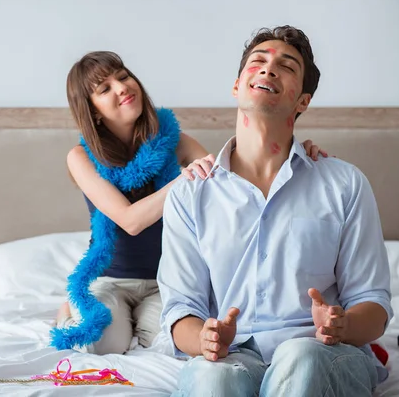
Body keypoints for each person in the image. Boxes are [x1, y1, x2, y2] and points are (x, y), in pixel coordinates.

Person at [157, 25, 393, 396]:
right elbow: (180, 308)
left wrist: (341, 325)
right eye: (258, 61)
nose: (268, 69)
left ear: (302, 101)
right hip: (233, 355)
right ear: (237, 86)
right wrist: (204, 339)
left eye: (286, 66)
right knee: (212, 376)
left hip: (322, 351)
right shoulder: (189, 194)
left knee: (302, 357)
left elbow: (374, 305)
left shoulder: (344, 184)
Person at [51, 50, 327, 355]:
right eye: (105, 89)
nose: (122, 87)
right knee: (99, 344)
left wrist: (295, 154)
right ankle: (67, 309)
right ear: (94, 112)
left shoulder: (176, 142)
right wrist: (184, 179)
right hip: (111, 278)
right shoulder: (81, 156)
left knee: (172, 343)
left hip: (165, 281)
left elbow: (232, 185)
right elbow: (129, 220)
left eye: (124, 76)